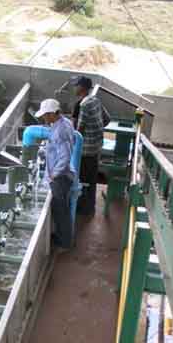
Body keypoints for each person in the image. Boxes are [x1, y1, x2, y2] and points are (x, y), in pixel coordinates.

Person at [35, 99, 75, 250]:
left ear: (53, 113)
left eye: (45, 115)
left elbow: (65, 156)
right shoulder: (64, 123)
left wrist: (54, 175)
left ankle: (65, 243)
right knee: (60, 208)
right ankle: (61, 236)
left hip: (61, 177)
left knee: (61, 210)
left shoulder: (60, 130)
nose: (44, 118)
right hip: (61, 174)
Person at [73, 76, 110, 216]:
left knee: (83, 180)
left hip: (86, 151)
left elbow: (79, 131)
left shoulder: (84, 105)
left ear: (82, 87)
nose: (74, 88)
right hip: (96, 148)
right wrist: (95, 132)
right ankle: (91, 207)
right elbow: (107, 119)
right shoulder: (95, 100)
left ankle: (83, 210)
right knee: (92, 179)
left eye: (76, 85)